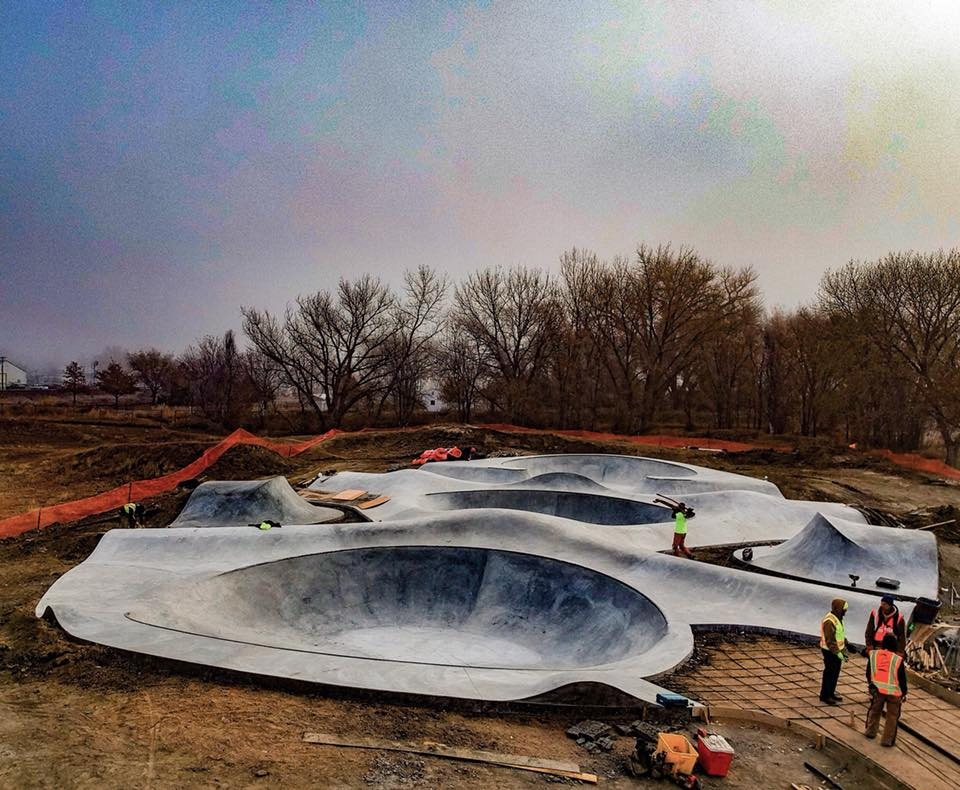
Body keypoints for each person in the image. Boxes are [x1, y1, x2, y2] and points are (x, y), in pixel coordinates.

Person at [865, 633, 907, 746]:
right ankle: (887, 740)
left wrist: (871, 685)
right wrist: (904, 692)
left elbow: (868, 672)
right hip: (894, 692)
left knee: (875, 711)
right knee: (892, 717)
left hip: (877, 690)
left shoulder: (874, 655)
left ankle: (870, 732)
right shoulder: (897, 659)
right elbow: (902, 678)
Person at [820, 598, 849, 704]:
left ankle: (831, 693)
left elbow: (839, 634)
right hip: (829, 652)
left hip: (836, 651)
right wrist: (838, 653)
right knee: (829, 673)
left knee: (835, 673)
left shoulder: (838, 618)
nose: (845, 612)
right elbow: (830, 640)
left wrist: (847, 644)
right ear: (838, 609)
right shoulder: (829, 621)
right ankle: (825, 695)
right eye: (844, 610)